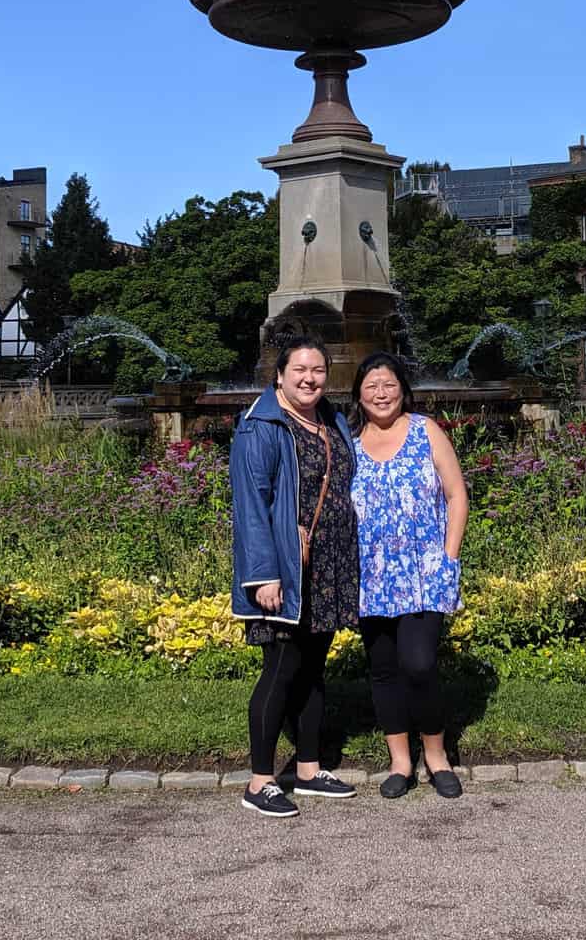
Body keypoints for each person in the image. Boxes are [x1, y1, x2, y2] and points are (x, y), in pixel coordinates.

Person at [230, 336, 361, 818]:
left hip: (325, 566)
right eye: (301, 370)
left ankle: (308, 770)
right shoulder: (262, 425)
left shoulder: (331, 419)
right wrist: (264, 574)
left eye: (319, 371)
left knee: (311, 670)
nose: (310, 378)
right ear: (280, 374)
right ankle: (259, 781)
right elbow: (251, 505)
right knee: (281, 671)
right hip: (285, 570)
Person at [348, 352, 469, 800]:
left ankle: (437, 756)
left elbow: (457, 494)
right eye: (372, 386)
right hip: (370, 575)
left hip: (423, 572)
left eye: (389, 384)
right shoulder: (351, 443)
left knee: (419, 664)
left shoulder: (426, 431)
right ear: (359, 395)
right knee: (384, 671)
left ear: (402, 388)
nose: (381, 393)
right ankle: (400, 761)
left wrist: (448, 557)